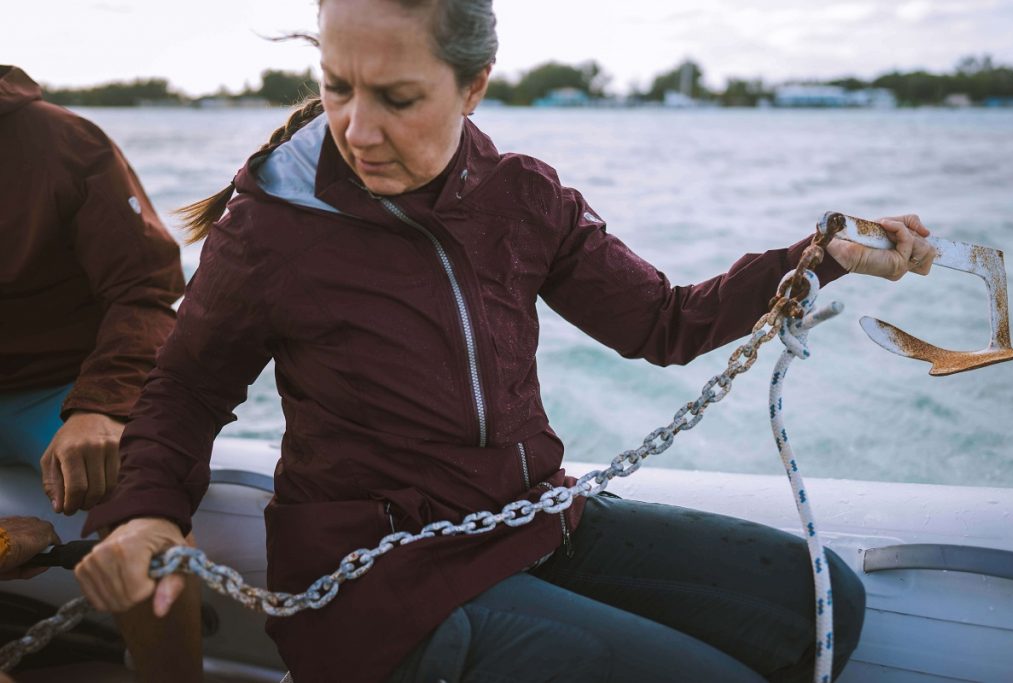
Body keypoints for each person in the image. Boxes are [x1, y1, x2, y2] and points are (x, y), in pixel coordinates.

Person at [74, 2, 938, 681]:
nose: (357, 128)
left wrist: (819, 260)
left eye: (397, 97)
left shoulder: (521, 197)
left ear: (474, 84)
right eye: (338, 86)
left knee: (829, 604)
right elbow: (184, 390)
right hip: (378, 586)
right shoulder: (273, 223)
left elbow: (663, 323)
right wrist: (144, 513)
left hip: (530, 523)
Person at [0, 66, 202, 682]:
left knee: (144, 498)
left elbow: (146, 292)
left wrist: (103, 407)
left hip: (66, 388)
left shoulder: (66, 143)